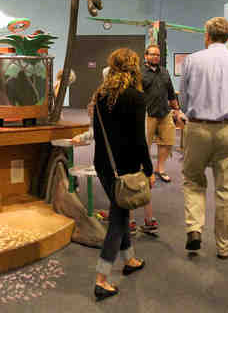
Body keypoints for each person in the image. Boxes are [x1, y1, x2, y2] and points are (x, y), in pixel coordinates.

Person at [178, 17, 228, 259]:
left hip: (197, 128)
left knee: (193, 180)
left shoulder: (192, 60)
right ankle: (225, 246)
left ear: (207, 36)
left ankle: (194, 228)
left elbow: (184, 100)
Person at [91, 48, 154, 301]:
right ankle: (101, 279)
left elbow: (98, 135)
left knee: (121, 210)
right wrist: (148, 169)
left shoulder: (100, 95)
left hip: (103, 164)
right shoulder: (136, 97)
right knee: (118, 220)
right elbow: (140, 139)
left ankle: (130, 260)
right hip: (125, 168)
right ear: (134, 67)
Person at [138, 43, 186, 233]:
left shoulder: (164, 72)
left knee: (167, 142)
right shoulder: (140, 73)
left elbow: (171, 93)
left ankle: (160, 168)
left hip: (164, 113)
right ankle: (145, 169)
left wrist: (177, 109)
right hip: (147, 114)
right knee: (144, 144)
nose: (155, 57)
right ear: (145, 56)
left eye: (157, 55)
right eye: (152, 54)